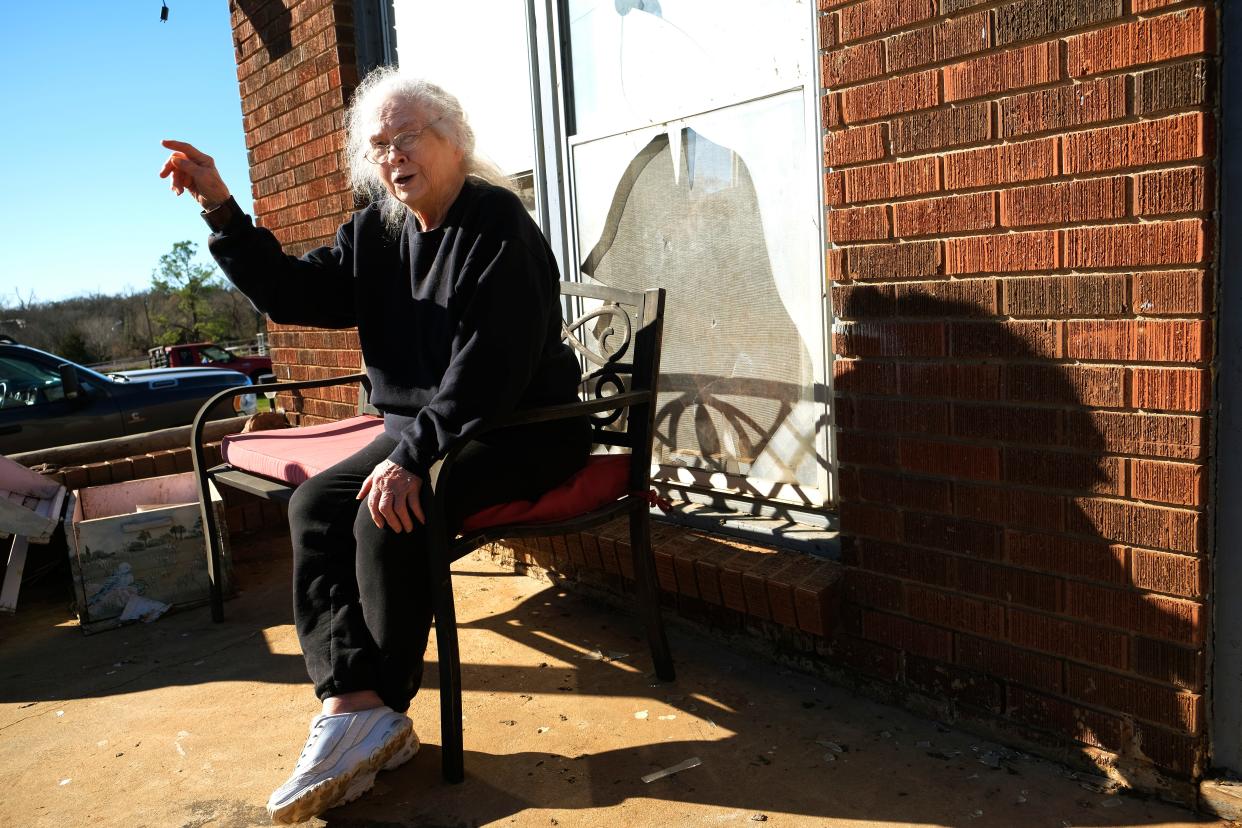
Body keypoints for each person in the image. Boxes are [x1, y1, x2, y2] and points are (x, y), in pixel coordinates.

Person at [160, 68, 591, 824]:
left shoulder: (499, 228)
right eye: (380, 144)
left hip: (520, 427)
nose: (393, 155)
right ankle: (353, 703)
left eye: (409, 136)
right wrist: (223, 210)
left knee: (386, 511)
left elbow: (490, 367)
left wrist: (409, 456)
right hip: (431, 431)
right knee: (317, 504)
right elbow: (293, 294)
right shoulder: (376, 234)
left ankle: (381, 708)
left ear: (453, 141)